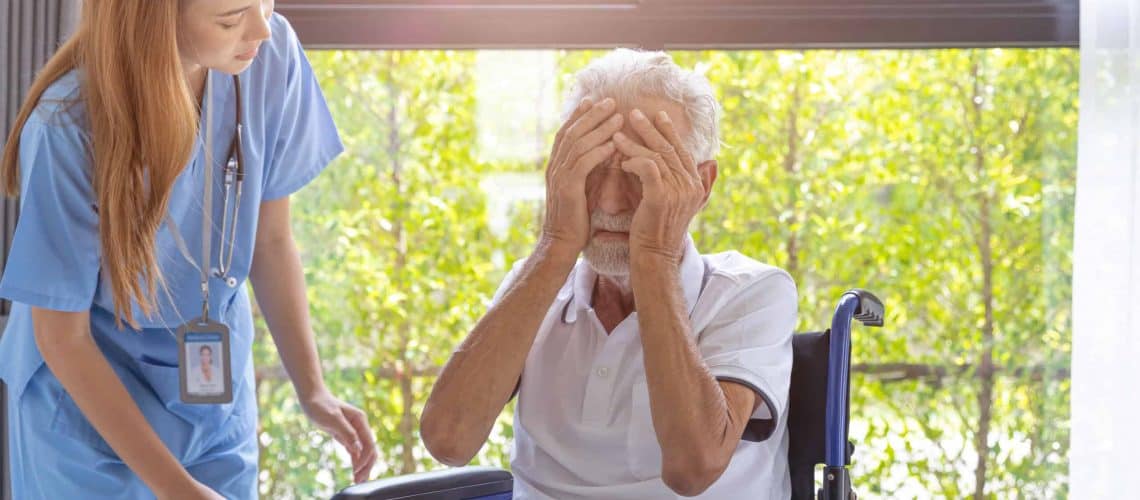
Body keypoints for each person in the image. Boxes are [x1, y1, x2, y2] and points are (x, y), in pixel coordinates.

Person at [0, 1, 377, 498]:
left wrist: (313, 390)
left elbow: (271, 239)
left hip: (211, 390)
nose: (262, 29)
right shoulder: (67, 124)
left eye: (265, 1)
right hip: (87, 402)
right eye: (231, 17)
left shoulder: (267, 54)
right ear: (154, 18)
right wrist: (177, 488)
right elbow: (61, 337)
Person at [420, 49, 798, 499]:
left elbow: (693, 468)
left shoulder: (752, 292)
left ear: (701, 185)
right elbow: (448, 441)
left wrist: (654, 256)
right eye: (593, 171)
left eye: (645, 175)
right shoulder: (537, 280)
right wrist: (556, 243)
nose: (611, 203)